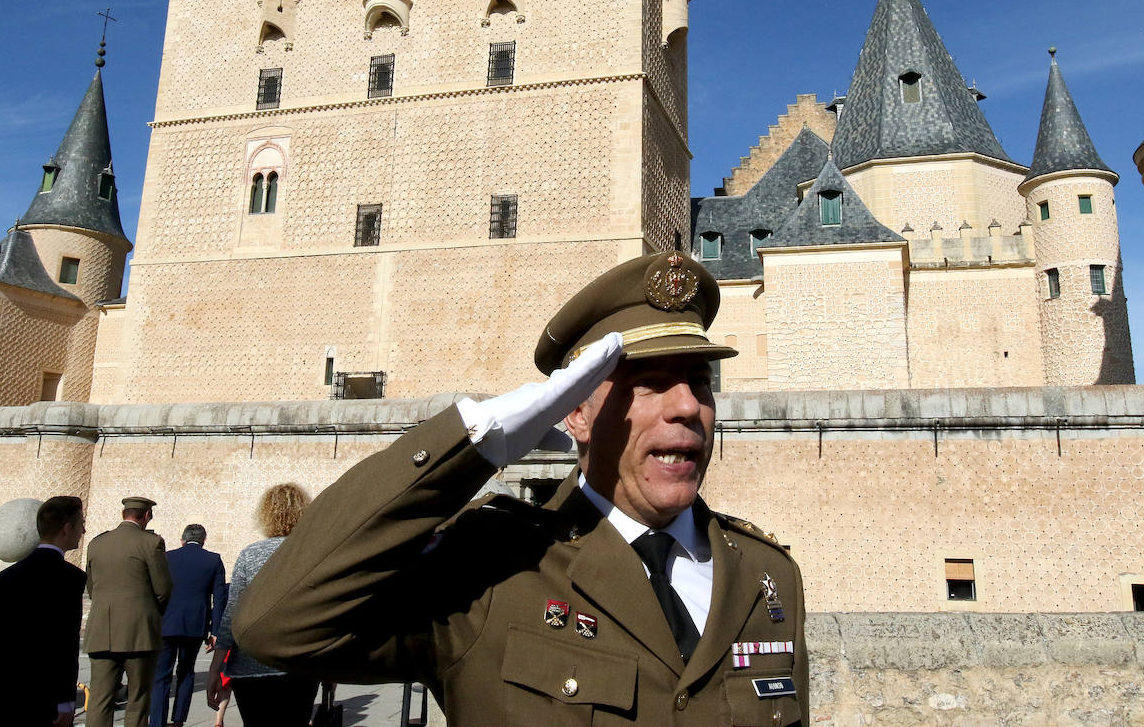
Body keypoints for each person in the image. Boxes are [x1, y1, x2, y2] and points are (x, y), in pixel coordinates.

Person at [235, 250, 809, 725]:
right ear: (574, 414)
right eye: (649, 383)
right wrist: (475, 442)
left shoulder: (766, 575)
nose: (688, 406)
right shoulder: (492, 565)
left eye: (700, 382)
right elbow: (277, 625)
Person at [208, 483, 319, 725]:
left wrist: (215, 668)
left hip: (250, 665)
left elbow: (232, 614)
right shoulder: (313, 554)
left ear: (266, 514)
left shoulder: (250, 554)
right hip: (301, 664)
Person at [0, 496, 87, 727]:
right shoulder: (71, 579)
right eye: (80, 524)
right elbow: (64, 647)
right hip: (41, 704)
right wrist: (66, 703)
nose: (83, 530)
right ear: (67, 529)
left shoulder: (6, 577)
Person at [85, 495, 174, 727]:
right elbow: (163, 589)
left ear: (123, 514)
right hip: (140, 635)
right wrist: (149, 614)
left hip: (102, 630)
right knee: (138, 699)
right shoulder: (151, 543)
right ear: (146, 516)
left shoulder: (97, 543)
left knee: (99, 700)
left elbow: (92, 588)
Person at [151, 524, 228, 727]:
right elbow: (219, 599)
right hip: (195, 625)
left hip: (166, 623)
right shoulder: (213, 560)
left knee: (161, 674)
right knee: (186, 672)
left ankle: (157, 722)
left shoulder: (167, 557)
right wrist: (215, 631)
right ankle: (178, 721)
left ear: (182, 540)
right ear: (204, 541)